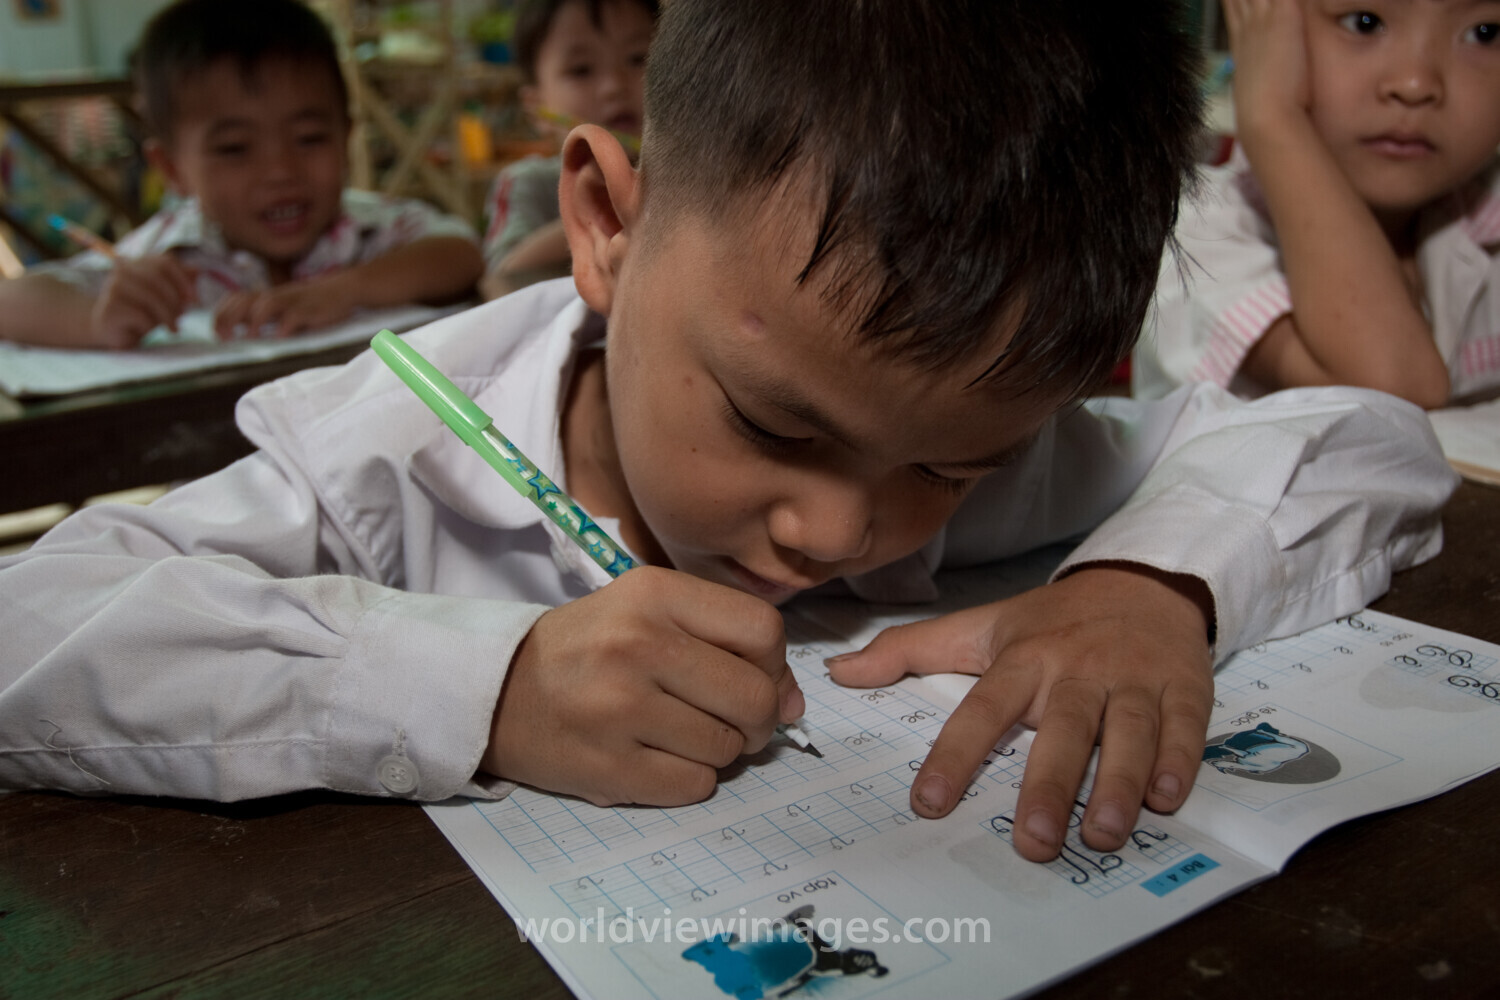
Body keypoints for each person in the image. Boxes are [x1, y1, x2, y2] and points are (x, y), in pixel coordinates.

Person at [0, 0, 1457, 866]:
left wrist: (1151, 591)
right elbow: (33, 629)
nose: (840, 530)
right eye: (773, 422)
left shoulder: (986, 448)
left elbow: (1361, 432)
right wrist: (479, 686)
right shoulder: (400, 458)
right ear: (607, 227)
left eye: (946, 467)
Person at [0, 0, 483, 350]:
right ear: (172, 169)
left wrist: (344, 290)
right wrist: (96, 320)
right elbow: (11, 302)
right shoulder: (171, 255)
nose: (280, 171)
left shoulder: (372, 229)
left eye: (310, 137)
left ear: (347, 137)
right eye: (234, 149)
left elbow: (461, 254)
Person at [1135, 0, 1500, 408]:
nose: (1415, 84)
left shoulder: (1483, 209)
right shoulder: (1199, 236)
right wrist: (1273, 120)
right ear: (1260, 25)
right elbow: (1393, 389)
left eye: (1485, 33)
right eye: (1365, 24)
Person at [477, 0, 656, 300]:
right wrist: (603, 215)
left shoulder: (687, 173)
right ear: (537, 106)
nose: (614, 85)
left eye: (638, 58)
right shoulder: (530, 183)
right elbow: (501, 278)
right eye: (581, 70)